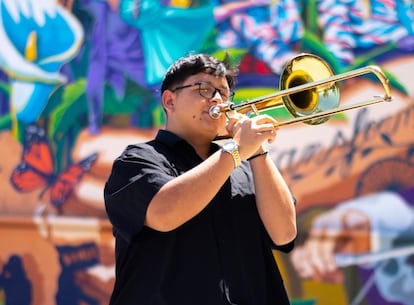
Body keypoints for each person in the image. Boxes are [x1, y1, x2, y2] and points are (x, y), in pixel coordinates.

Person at [104, 53, 297, 305]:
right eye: (204, 90)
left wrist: (258, 151)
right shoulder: (137, 160)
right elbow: (164, 213)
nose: (218, 100)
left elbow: (284, 234)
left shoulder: (247, 166)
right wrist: (236, 150)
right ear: (169, 101)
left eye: (223, 93)